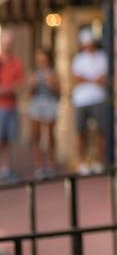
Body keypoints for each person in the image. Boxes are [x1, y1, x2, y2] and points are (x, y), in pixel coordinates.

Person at [71, 27, 110, 175]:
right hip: (81, 101)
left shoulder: (102, 57)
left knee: (100, 132)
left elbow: (103, 77)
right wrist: (93, 79)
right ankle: (83, 162)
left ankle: (98, 161)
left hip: (98, 98)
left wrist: (89, 79)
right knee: (81, 132)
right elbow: (77, 79)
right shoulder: (78, 59)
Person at [26, 47, 61, 178]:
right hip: (37, 105)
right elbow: (29, 93)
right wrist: (32, 85)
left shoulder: (53, 73)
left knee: (50, 136)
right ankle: (39, 165)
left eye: (43, 56)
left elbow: (59, 93)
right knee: (37, 136)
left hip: (50, 104)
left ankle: (51, 164)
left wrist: (52, 84)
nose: (41, 59)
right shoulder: (34, 73)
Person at [0, 29, 24, 183]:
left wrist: (9, 89)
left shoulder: (16, 62)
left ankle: (5, 168)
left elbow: (20, 84)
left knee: (8, 139)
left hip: (11, 106)